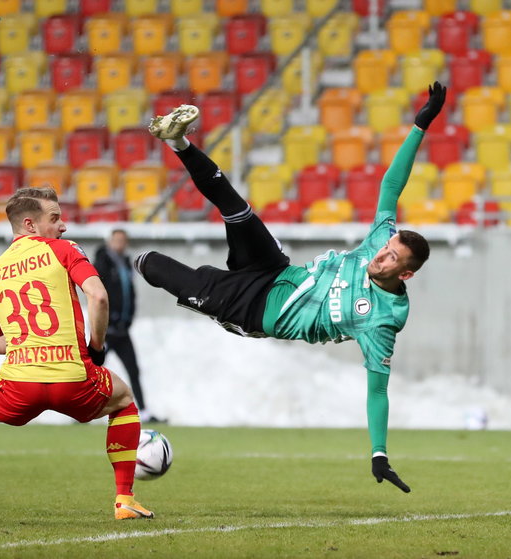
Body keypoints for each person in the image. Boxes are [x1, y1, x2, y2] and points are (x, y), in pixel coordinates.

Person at [135, 81, 448, 493]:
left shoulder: (383, 322)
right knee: (235, 207)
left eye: (392, 258)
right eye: (386, 248)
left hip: (254, 310)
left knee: (150, 263)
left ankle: (112, 269)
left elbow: (377, 391)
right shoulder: (379, 240)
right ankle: (179, 143)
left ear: (404, 275)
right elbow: (391, 185)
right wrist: (420, 125)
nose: (381, 256)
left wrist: (379, 451)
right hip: (276, 269)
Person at [0, 187, 154, 520]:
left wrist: (25, 344)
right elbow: (98, 297)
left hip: (17, 386)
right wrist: (97, 347)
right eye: (54, 218)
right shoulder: (62, 249)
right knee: (125, 400)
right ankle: (124, 499)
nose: (63, 227)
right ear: (29, 224)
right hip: (75, 381)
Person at [94, 229, 164, 424]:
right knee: (92, 371)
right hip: (107, 330)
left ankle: (144, 410)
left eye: (123, 240)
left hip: (122, 331)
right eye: (116, 240)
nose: (120, 244)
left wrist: (128, 318)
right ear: (109, 242)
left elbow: (129, 293)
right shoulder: (103, 263)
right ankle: (79, 408)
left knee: (133, 370)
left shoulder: (125, 263)